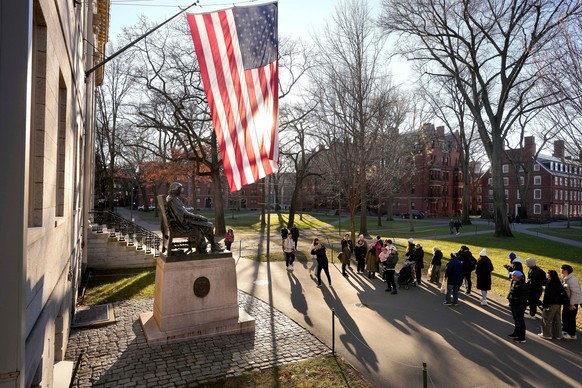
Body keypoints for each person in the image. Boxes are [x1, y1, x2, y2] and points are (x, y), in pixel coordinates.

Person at [165, 182, 223, 253]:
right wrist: (199, 217)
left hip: (179, 222)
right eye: (179, 189)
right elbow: (185, 214)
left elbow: (182, 211)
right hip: (182, 224)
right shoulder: (173, 200)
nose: (181, 191)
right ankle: (210, 248)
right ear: (175, 190)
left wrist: (193, 215)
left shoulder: (171, 198)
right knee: (208, 226)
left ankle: (211, 246)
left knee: (206, 225)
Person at [538, 270, 566, 340]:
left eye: (547, 274)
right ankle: (558, 335)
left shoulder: (550, 283)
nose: (546, 274)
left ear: (550, 275)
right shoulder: (558, 282)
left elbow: (548, 296)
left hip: (551, 304)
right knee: (557, 319)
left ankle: (547, 334)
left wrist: (546, 305)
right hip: (558, 304)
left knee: (547, 318)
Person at [507, 270, 529, 343]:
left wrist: (514, 299)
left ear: (516, 277)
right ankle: (516, 333)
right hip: (513, 304)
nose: (511, 276)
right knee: (516, 319)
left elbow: (524, 296)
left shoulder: (523, 285)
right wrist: (509, 297)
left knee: (520, 321)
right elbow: (511, 291)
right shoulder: (514, 282)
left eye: (512, 275)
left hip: (519, 306)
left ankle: (522, 337)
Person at [561, 264, 582, 340]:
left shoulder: (572, 280)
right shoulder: (565, 277)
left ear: (565, 271)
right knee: (565, 316)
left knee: (571, 318)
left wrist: (572, 304)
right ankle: (565, 331)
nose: (560, 270)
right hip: (567, 301)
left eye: (561, 269)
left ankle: (572, 334)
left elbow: (575, 293)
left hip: (572, 303)